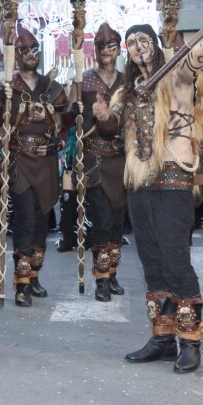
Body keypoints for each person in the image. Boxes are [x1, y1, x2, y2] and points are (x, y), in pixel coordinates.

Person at [102, 0, 203, 374]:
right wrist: (103, 113)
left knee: (175, 260)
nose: (138, 47)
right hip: (139, 184)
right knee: (151, 263)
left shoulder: (178, 74)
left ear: (153, 42)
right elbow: (106, 127)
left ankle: (190, 340)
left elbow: (202, 51)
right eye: (131, 43)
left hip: (173, 180)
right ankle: (162, 337)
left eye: (143, 40)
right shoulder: (128, 90)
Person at [0, 26, 69, 307]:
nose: (30, 54)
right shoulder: (9, 87)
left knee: (41, 222)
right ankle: (22, 284)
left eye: (34, 49)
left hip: (47, 163)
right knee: (24, 220)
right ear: (16, 56)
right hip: (20, 163)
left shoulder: (53, 88)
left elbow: (65, 130)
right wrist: (4, 102)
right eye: (24, 50)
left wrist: (55, 145)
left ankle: (34, 276)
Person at [75, 22, 128, 302]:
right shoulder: (83, 80)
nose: (106, 50)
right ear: (94, 49)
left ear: (118, 49)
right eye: (101, 46)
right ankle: (101, 279)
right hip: (95, 157)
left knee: (118, 221)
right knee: (102, 221)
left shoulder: (127, 80)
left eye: (111, 45)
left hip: (120, 158)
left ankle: (113, 273)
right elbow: (73, 124)